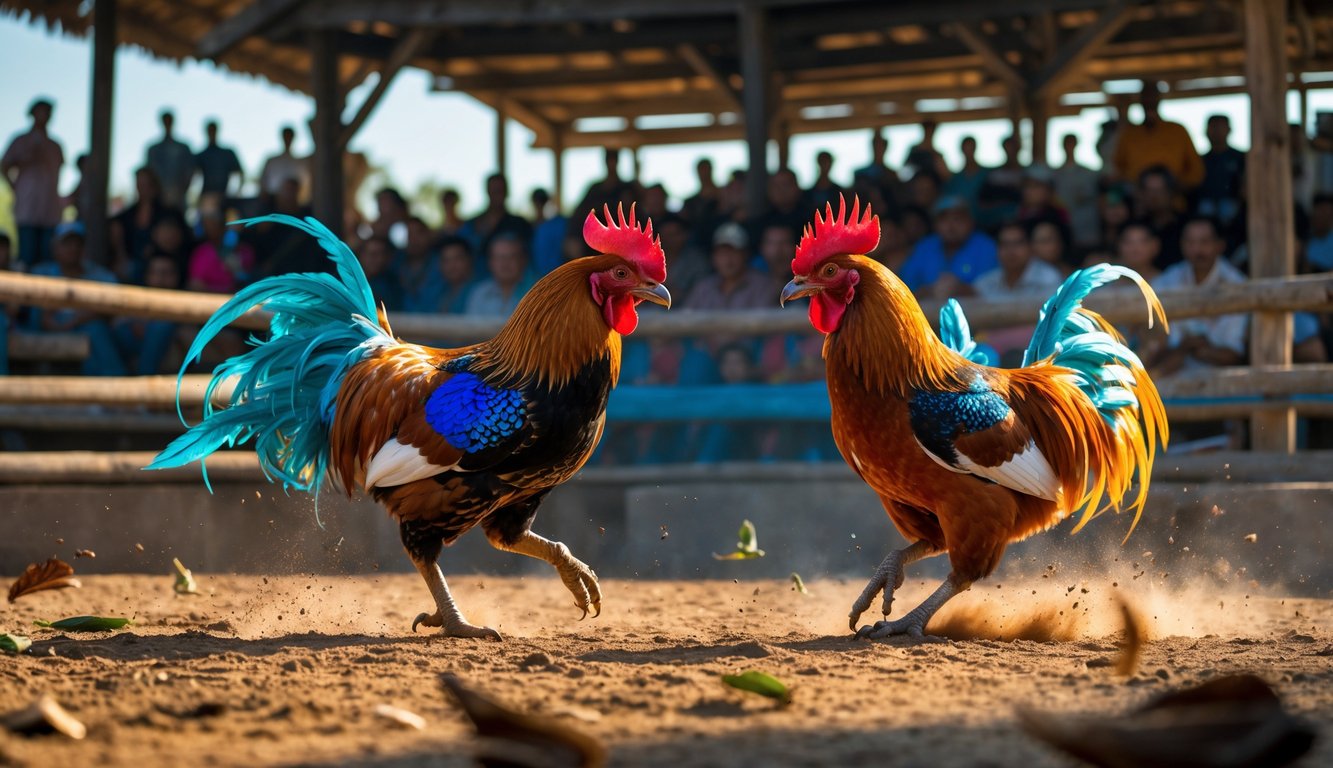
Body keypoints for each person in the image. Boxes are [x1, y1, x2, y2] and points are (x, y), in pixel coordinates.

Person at [1146, 216, 1247, 376]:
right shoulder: (1167, 281)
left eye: (1204, 242)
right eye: (1190, 243)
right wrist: (1184, 348)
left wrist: (1197, 349)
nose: (1197, 250)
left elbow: (1235, 354)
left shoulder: (1236, 284)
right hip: (1173, 381)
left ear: (1220, 245)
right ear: (1182, 245)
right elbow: (1153, 342)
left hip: (1224, 381)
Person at [29, 222, 126, 376]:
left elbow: (114, 307)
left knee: (95, 331)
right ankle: (113, 389)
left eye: (77, 243)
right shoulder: (41, 273)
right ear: (55, 247)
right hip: (48, 328)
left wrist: (76, 319)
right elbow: (39, 317)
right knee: (94, 332)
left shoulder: (99, 275)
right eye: (67, 243)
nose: (73, 248)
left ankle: (108, 390)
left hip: (85, 327)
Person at [2, 98, 64, 267]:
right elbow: (4, 165)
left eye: (48, 112)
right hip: (27, 208)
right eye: (41, 111)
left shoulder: (55, 146)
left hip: (50, 211)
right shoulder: (20, 141)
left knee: (48, 259)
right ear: (32, 114)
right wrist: (15, 188)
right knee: (27, 257)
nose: (45, 116)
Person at [1112, 80, 1203, 191]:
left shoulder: (1177, 130)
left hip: (1173, 202)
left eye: (1153, 96)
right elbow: (1117, 168)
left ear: (1159, 99)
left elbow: (1196, 171)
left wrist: (1174, 187)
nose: (1150, 101)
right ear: (1140, 100)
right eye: (1146, 97)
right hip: (1138, 202)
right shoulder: (1129, 134)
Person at [898, 196, 997, 297]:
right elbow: (905, 288)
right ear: (935, 224)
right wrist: (929, 291)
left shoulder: (986, 247)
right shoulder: (924, 247)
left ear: (971, 222)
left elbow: (993, 291)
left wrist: (961, 289)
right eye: (944, 220)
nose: (951, 226)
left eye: (958, 219)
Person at [109, 167, 189, 284]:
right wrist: (120, 255)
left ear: (155, 185)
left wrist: (156, 247)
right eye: (140, 184)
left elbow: (181, 241)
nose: (143, 188)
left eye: (147, 184)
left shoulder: (169, 213)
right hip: (132, 265)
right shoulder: (128, 215)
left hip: (162, 263)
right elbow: (115, 226)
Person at [114, 253, 181, 375]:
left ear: (176, 276)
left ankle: (143, 378)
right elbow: (118, 322)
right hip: (134, 342)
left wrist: (150, 326)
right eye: (156, 273)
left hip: (163, 342)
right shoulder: (137, 297)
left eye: (166, 273)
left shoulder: (185, 300)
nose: (160, 278)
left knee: (162, 326)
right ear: (148, 276)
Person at [458, 173, 532, 258]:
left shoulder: (521, 224)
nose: (497, 194)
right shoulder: (472, 225)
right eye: (494, 190)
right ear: (487, 191)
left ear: (507, 192)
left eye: (500, 190)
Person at [187, 209, 255, 293]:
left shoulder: (244, 251)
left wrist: (238, 272)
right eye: (206, 225)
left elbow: (250, 284)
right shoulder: (201, 251)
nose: (210, 228)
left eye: (214, 224)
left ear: (223, 226)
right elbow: (195, 284)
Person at [1195, 115, 1245, 232]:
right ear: (1206, 131)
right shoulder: (1200, 160)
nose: (1216, 131)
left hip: (1233, 207)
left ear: (1229, 130)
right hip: (1205, 207)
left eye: (1220, 127)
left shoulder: (1241, 158)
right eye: (1213, 127)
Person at [465, 233, 533, 317]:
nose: (505, 263)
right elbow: (471, 328)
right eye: (499, 258)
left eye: (512, 257)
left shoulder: (536, 292)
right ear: (490, 263)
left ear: (523, 260)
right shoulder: (479, 293)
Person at [1052, 133, 1101, 249]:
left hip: (1086, 227)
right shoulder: (1055, 174)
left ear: (1076, 145)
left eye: (1071, 143)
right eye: (1067, 143)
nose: (1069, 146)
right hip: (1064, 225)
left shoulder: (1088, 173)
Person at [145, 110, 196, 210]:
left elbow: (190, 171)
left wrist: (181, 190)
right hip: (158, 198)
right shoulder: (153, 149)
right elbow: (149, 173)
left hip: (179, 197)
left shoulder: (183, 148)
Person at [1137, 166, 1185, 269]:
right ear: (1141, 193)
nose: (1154, 196)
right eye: (1149, 190)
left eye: (1160, 190)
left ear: (1171, 192)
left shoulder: (1186, 226)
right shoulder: (1134, 228)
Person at [398, 217, 446, 314]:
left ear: (429, 235)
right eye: (409, 234)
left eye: (419, 233)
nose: (414, 239)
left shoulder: (443, 262)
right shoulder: (396, 266)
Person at [194, 120, 244, 207]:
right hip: (207, 197)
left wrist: (237, 193)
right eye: (210, 130)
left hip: (225, 197)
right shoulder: (201, 155)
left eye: (213, 130)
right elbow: (192, 176)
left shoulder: (227, 153)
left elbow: (241, 174)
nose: (212, 133)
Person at [259, 125, 307, 199]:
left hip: (296, 203)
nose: (287, 139)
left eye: (289, 136)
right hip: (273, 201)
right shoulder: (272, 161)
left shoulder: (301, 163)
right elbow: (263, 184)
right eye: (286, 136)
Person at [942, 136, 988, 213]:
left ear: (975, 148)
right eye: (966, 149)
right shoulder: (954, 179)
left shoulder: (986, 175)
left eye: (971, 148)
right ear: (962, 150)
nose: (968, 152)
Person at [357, 235, 402, 312]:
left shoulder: (394, 283)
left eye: (383, 255)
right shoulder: (348, 281)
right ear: (361, 255)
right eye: (374, 254)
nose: (380, 260)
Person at [437, 236, 478, 314]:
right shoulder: (439, 291)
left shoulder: (481, 291)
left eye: (457, 259)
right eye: (446, 260)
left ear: (469, 260)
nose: (452, 266)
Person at [681, 158, 719, 226]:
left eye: (706, 169)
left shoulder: (723, 197)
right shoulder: (690, 203)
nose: (704, 173)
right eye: (701, 170)